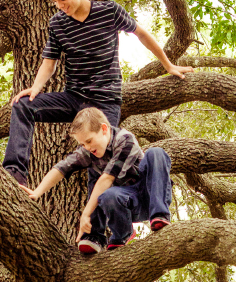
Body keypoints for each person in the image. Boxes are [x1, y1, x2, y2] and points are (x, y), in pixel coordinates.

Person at [3, 0, 193, 187]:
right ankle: (14, 174)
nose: (59, 5)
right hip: (74, 98)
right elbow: (49, 62)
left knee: (99, 162)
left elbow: (142, 34)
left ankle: (99, 220)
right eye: (54, 2)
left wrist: (168, 65)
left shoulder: (109, 11)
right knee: (23, 105)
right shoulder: (57, 23)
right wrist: (36, 88)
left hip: (104, 102)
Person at [27, 107, 172, 253]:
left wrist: (85, 214)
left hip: (148, 195)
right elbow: (62, 168)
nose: (87, 147)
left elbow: (107, 179)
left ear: (104, 129)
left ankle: (159, 215)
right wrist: (37, 192)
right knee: (105, 190)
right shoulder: (89, 152)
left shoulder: (125, 139)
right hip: (126, 202)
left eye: (89, 141)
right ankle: (109, 235)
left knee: (156, 152)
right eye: (83, 144)